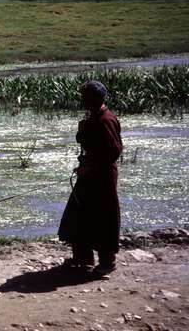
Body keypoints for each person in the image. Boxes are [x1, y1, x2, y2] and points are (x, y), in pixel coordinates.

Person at [58, 80, 123, 275]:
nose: (83, 101)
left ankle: (106, 261)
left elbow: (114, 151)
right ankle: (83, 258)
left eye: (85, 98)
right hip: (90, 174)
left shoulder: (106, 120)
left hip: (102, 178)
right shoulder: (94, 117)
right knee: (79, 213)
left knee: (104, 217)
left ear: (94, 99)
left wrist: (91, 168)